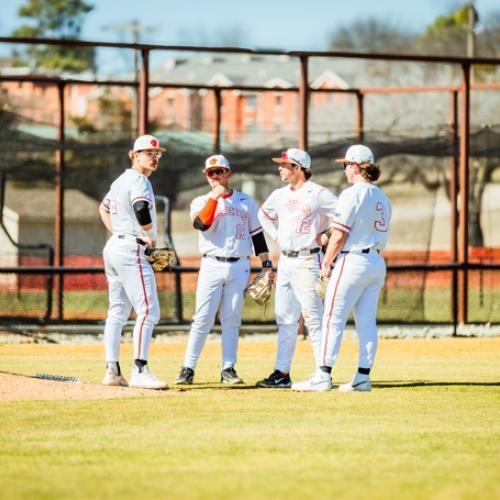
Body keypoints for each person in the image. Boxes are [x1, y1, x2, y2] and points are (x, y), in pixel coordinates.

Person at [294, 144, 391, 392]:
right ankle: (362, 377)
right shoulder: (382, 196)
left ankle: (323, 375)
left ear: (356, 167)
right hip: (376, 262)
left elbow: (338, 235)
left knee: (331, 318)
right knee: (367, 322)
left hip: (353, 260)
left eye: (346, 165)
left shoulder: (352, 193)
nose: (345, 169)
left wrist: (327, 263)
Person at [174, 154, 273, 385]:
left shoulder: (245, 201)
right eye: (211, 172)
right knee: (203, 318)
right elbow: (202, 224)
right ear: (206, 177)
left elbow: (257, 235)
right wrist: (215, 198)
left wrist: (266, 263)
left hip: (239, 265)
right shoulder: (200, 201)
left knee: (232, 318)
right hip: (211, 264)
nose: (215, 175)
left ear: (228, 173)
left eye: (219, 171)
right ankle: (188, 368)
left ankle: (228, 369)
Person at [256, 148, 338, 388]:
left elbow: (344, 216)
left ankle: (322, 372)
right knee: (285, 319)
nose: (280, 169)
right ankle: (282, 373)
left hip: (308, 260)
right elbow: (262, 216)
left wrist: (327, 233)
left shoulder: (318, 193)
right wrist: (277, 236)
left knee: (313, 318)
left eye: (285, 165)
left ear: (299, 168)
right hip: (286, 261)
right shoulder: (279, 194)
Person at [99, 134, 168, 390]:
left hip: (115, 246)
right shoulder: (139, 180)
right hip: (129, 248)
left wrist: (119, 230)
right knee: (149, 311)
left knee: (117, 311)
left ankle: (112, 371)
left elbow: (103, 208)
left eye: (157, 154)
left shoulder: (120, 180)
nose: (154, 157)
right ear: (134, 155)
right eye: (148, 153)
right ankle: (140, 370)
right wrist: (149, 237)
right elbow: (141, 209)